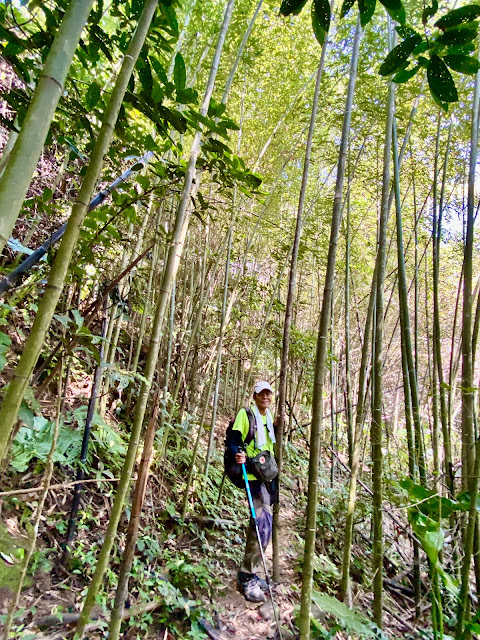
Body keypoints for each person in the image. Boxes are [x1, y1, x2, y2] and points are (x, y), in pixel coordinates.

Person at [228, 380, 277, 603]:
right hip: (250, 474)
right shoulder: (245, 414)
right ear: (255, 396)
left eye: (268, 393)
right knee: (262, 525)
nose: (265, 397)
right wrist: (238, 453)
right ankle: (246, 576)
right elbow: (234, 439)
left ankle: (252, 571)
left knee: (262, 524)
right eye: (261, 394)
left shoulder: (268, 416)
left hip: (264, 474)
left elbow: (268, 444)